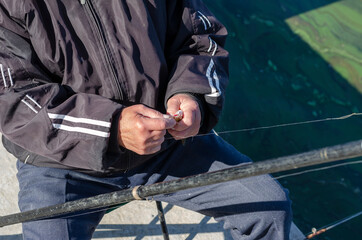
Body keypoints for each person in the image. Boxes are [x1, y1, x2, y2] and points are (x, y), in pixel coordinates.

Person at [0, 0, 292, 239]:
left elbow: (201, 38)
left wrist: (192, 95)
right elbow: (15, 101)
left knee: (270, 208)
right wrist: (113, 128)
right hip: (61, 161)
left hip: (168, 143)